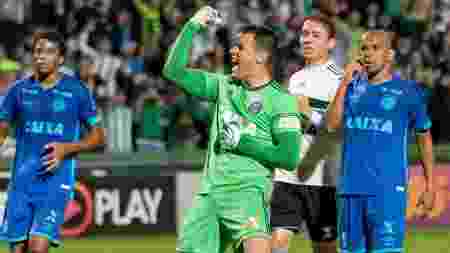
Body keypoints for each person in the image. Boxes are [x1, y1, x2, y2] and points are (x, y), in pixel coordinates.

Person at [163, 6, 303, 253]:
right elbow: (173, 71)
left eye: (241, 48)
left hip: (247, 195)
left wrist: (242, 142)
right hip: (209, 196)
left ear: (261, 57)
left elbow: (289, 157)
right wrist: (192, 25)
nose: (232, 51)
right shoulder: (223, 85)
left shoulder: (282, 101)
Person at [326, 31, 435, 253]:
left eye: (375, 48)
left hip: (387, 192)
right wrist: (344, 83)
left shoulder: (408, 92)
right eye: (364, 48)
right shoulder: (351, 88)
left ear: (390, 55)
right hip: (350, 191)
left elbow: (424, 139)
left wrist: (430, 185)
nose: (368, 54)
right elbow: (331, 126)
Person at [0, 31, 105, 253]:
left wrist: (67, 148)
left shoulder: (77, 91)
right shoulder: (17, 91)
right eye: (38, 51)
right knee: (17, 249)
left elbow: (98, 137)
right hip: (21, 182)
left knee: (38, 248)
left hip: (56, 182)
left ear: (60, 59)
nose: (41, 56)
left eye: (49, 52)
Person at [271, 15, 342, 253]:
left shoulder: (339, 79)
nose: (307, 40)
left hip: (322, 179)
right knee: (278, 242)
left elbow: (339, 131)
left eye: (315, 35)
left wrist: (309, 118)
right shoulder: (295, 78)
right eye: (304, 34)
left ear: (331, 43)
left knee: (324, 248)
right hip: (287, 176)